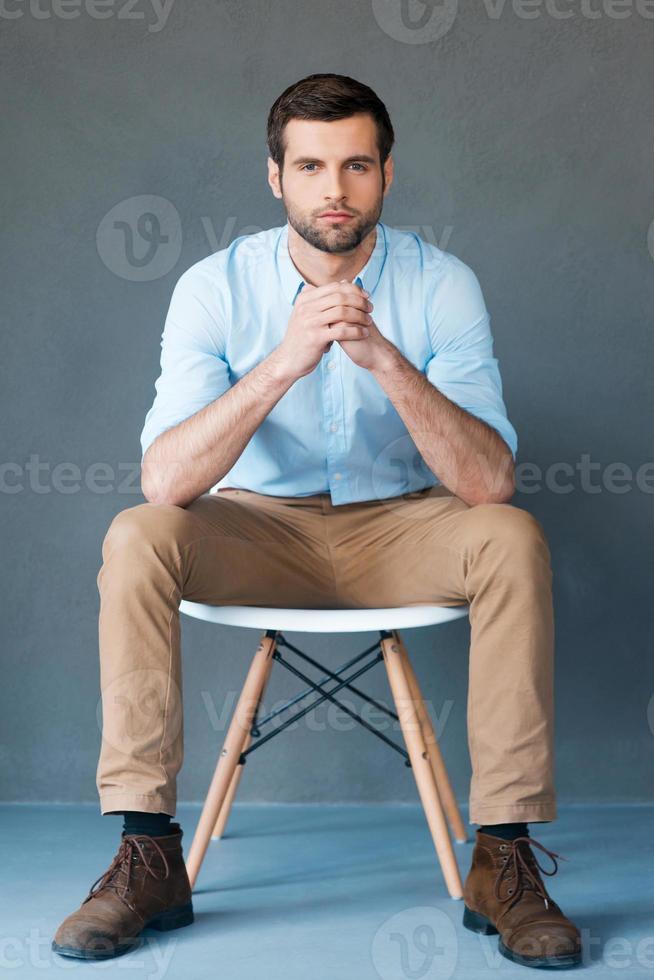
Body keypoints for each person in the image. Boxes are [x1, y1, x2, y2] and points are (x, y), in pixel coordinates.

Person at [52, 72, 582, 969]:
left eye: (355, 166)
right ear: (276, 177)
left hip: (405, 527)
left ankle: (504, 858)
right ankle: (146, 853)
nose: (333, 190)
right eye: (310, 166)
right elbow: (165, 479)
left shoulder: (441, 283)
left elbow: (490, 481)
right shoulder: (213, 287)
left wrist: (383, 358)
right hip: (259, 530)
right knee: (135, 537)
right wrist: (284, 361)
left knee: (512, 536)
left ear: (385, 176)